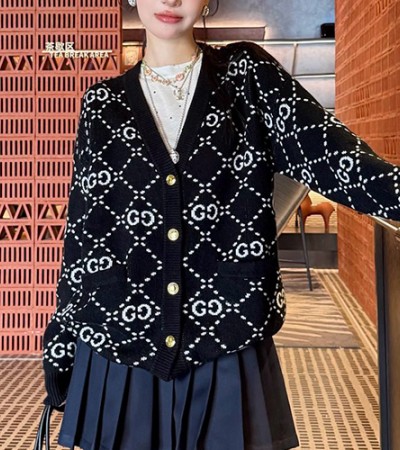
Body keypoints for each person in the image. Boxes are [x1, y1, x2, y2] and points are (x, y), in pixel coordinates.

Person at [40, 0, 400, 449]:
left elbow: (335, 159)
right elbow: (84, 234)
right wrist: (61, 345)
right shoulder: (102, 105)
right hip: (119, 348)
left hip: (227, 341)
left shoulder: (247, 77)